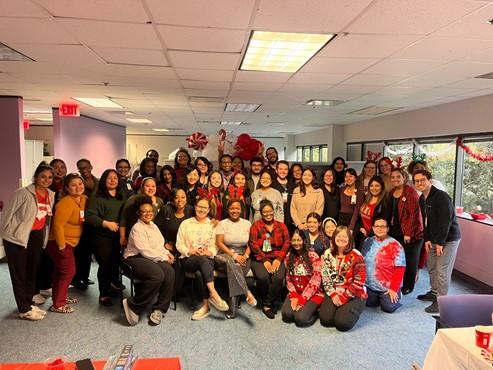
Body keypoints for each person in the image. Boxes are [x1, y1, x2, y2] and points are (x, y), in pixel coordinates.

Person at [0, 162, 55, 320]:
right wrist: (5, 237)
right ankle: (23, 309)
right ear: (36, 177)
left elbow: (46, 218)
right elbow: (6, 216)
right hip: (17, 238)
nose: (46, 180)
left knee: (32, 271)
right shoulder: (22, 193)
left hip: (36, 236)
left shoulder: (50, 194)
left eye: (50, 177)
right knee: (19, 273)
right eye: (43, 176)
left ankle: (29, 302)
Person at [413, 169, 461, 314]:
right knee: (432, 267)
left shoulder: (441, 197)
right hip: (434, 238)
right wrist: (427, 239)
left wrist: (440, 242)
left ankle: (442, 302)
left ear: (430, 181)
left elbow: (445, 221)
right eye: (417, 181)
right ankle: (434, 293)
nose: (420, 183)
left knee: (442, 271)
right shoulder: (422, 198)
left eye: (423, 180)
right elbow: (426, 222)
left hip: (449, 239)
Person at [122, 198, 175, 326]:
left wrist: (167, 254)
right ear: (138, 213)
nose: (148, 213)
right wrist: (163, 258)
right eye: (144, 211)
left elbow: (158, 246)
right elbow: (145, 251)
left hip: (151, 257)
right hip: (135, 258)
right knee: (158, 275)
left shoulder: (154, 226)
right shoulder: (137, 228)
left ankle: (159, 308)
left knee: (170, 271)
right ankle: (133, 305)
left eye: (150, 211)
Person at [176, 197, 229, 320]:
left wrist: (208, 252)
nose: (202, 209)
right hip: (188, 259)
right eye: (200, 206)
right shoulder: (186, 223)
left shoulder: (212, 224)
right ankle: (214, 294)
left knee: (200, 273)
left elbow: (215, 246)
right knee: (201, 260)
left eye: (205, 207)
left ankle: (205, 306)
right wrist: (190, 251)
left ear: (209, 209)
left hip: (207, 258)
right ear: (195, 207)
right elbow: (179, 244)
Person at [45, 173, 87, 313]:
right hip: (59, 242)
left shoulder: (83, 199)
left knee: (60, 271)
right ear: (67, 188)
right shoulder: (65, 202)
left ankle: (59, 297)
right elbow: (57, 226)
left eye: (80, 184)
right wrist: (62, 246)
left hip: (71, 242)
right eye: (73, 185)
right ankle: (58, 305)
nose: (78, 187)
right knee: (69, 271)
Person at [85, 169, 126, 307]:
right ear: (103, 180)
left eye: (115, 178)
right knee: (105, 264)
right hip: (101, 237)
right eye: (109, 178)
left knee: (115, 263)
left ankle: (111, 287)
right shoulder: (97, 197)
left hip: (117, 237)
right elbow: (89, 216)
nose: (113, 180)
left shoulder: (121, 196)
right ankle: (103, 294)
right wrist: (106, 223)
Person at [215, 199, 257, 319]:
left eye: (237, 208)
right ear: (228, 210)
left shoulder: (247, 224)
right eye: (232, 208)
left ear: (241, 210)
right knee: (231, 263)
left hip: (243, 255)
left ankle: (232, 308)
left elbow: (251, 244)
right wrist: (234, 256)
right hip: (225, 254)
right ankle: (247, 292)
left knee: (236, 267)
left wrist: (245, 256)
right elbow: (219, 243)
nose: (235, 211)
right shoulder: (222, 223)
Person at [319, 226, 367, 331]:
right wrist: (333, 293)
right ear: (334, 237)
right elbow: (325, 276)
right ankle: (340, 309)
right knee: (325, 320)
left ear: (349, 239)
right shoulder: (327, 253)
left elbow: (360, 281)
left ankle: (354, 308)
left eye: (344, 236)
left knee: (342, 324)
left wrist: (345, 297)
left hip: (354, 292)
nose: (341, 238)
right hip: (335, 290)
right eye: (338, 235)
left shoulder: (356, 255)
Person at [249, 200, 290, 319]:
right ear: (261, 213)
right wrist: (264, 260)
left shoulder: (281, 225)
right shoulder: (256, 226)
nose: (268, 214)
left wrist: (278, 259)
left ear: (273, 211)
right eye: (265, 212)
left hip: (277, 257)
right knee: (263, 277)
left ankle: (266, 304)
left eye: (270, 211)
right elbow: (253, 244)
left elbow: (287, 243)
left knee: (278, 277)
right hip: (259, 258)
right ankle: (267, 301)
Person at [388, 168, 423, 295]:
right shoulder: (391, 192)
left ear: (404, 178)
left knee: (410, 260)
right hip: (395, 230)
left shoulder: (410, 192)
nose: (395, 179)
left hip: (411, 233)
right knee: (396, 259)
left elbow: (414, 214)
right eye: (393, 177)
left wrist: (408, 233)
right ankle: (395, 282)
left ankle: (408, 286)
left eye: (398, 177)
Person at [361, 217, 406, 313]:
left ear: (387, 229)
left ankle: (397, 292)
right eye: (377, 226)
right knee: (366, 302)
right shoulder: (367, 241)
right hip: (370, 285)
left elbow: (400, 268)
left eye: (383, 226)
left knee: (388, 307)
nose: (379, 229)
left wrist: (393, 289)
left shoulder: (396, 245)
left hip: (387, 287)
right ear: (373, 228)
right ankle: (379, 299)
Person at [282, 229, 323, 327]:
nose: (296, 243)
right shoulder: (288, 257)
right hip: (296, 292)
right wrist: (294, 295)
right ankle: (305, 309)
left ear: (304, 241)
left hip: (313, 293)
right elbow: (288, 279)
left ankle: (315, 312)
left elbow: (316, 280)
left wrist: (303, 299)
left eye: (299, 240)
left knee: (300, 319)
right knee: (287, 315)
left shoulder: (312, 255)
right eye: (294, 240)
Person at [119, 177, 164, 247]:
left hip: (152, 237)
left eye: (153, 186)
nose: (151, 188)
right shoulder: (133, 199)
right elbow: (123, 219)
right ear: (142, 187)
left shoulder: (160, 201)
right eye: (147, 186)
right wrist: (122, 237)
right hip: (136, 235)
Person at [154, 188, 194, 256]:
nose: (180, 200)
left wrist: (213, 220)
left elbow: (201, 217)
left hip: (186, 247)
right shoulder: (166, 209)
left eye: (183, 197)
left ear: (186, 199)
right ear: (172, 200)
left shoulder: (190, 210)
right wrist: (164, 242)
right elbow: (155, 228)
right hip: (170, 247)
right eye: (176, 198)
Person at [355, 176, 389, 249]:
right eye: (372, 186)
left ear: (382, 187)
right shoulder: (367, 199)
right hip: (362, 234)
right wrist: (361, 228)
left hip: (374, 237)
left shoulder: (385, 203)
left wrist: (369, 233)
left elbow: (383, 223)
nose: (374, 188)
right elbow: (361, 216)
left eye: (377, 186)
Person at [272, 160, 296, 233]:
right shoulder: (271, 185)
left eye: (285, 169)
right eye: (281, 169)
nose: (283, 171)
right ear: (276, 170)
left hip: (291, 222)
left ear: (288, 171)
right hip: (275, 221)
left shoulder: (293, 185)